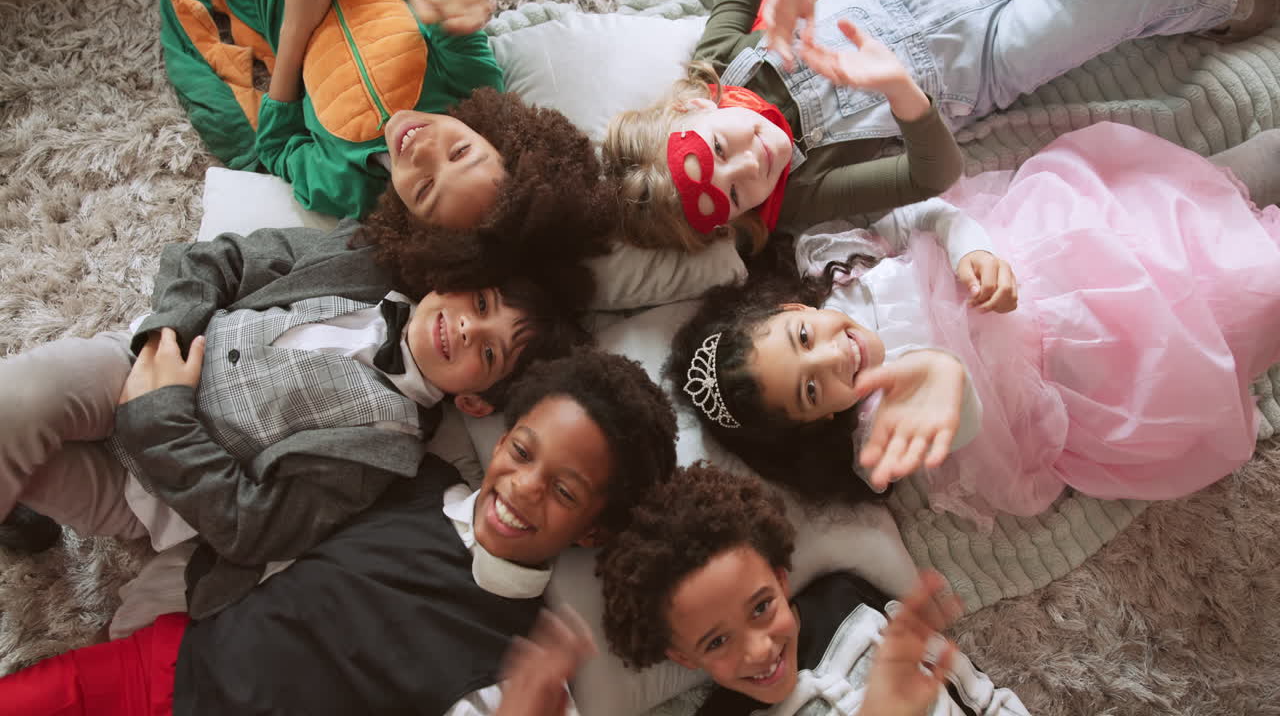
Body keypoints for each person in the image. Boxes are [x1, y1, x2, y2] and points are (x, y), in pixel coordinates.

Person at [0, 349, 679, 716]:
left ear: (595, 529)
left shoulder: (520, 665)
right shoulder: (411, 473)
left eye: (564, 491)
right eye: (523, 452)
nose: (525, 487)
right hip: (171, 672)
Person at [668, 122, 1280, 525]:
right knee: (1243, 293)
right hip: (1079, 362)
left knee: (1170, 208)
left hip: (1044, 253)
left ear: (794, 310)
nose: (833, 359)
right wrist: (941, 381)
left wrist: (970, 251)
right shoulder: (879, 429)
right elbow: (964, 422)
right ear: (820, 420)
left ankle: (1244, 174)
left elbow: (927, 215)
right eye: (811, 389)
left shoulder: (833, 265)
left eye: (803, 339)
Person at [0, 218, 593, 616]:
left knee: (30, 464)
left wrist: (164, 416)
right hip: (134, 360)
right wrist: (167, 339)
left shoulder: (384, 448)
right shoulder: (362, 258)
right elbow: (220, 259)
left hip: (144, 492)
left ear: (474, 402)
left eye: (488, 352)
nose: (467, 327)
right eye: (481, 304)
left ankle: (24, 506)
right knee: (13, 403)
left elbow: (252, 525)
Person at [603, 0, 1271, 253]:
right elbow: (935, 172)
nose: (754, 164)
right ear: (744, 219)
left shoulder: (720, 64)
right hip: (986, 58)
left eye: (722, 146)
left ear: (695, 107)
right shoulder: (803, 197)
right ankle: (1232, 8)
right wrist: (898, 90)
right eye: (740, 191)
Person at [162, 0, 616, 288]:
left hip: (276, 11)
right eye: (459, 152)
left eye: (424, 189)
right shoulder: (474, 84)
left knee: (229, 125)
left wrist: (295, 30)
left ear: (407, 222)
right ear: (495, 140)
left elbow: (276, 148)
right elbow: (439, 10)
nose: (422, 152)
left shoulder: (345, 185)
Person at [599, 462, 1030, 715]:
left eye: (761, 607)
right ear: (682, 655)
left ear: (781, 578)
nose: (758, 650)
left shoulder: (847, 600)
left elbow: (983, 697)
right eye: (717, 641)